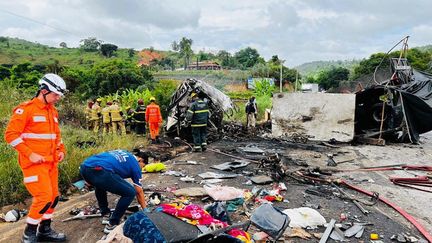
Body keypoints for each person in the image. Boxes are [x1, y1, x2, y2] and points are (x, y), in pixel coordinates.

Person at [4, 73, 67, 243]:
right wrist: (30, 153)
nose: (57, 98)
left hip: (51, 163)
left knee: (54, 197)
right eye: (55, 95)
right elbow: (10, 135)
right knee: (43, 197)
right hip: (33, 164)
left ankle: (45, 230)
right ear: (44, 91)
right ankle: (29, 233)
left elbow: (56, 136)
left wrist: (61, 150)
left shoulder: (52, 111)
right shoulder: (26, 109)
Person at [79, 149, 149, 233]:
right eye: (143, 166)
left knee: (100, 184)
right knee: (130, 193)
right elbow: (139, 191)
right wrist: (145, 210)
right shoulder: (135, 165)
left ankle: (105, 214)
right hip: (100, 170)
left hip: (84, 167)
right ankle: (112, 224)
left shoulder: (124, 152)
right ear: (140, 160)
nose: (141, 168)